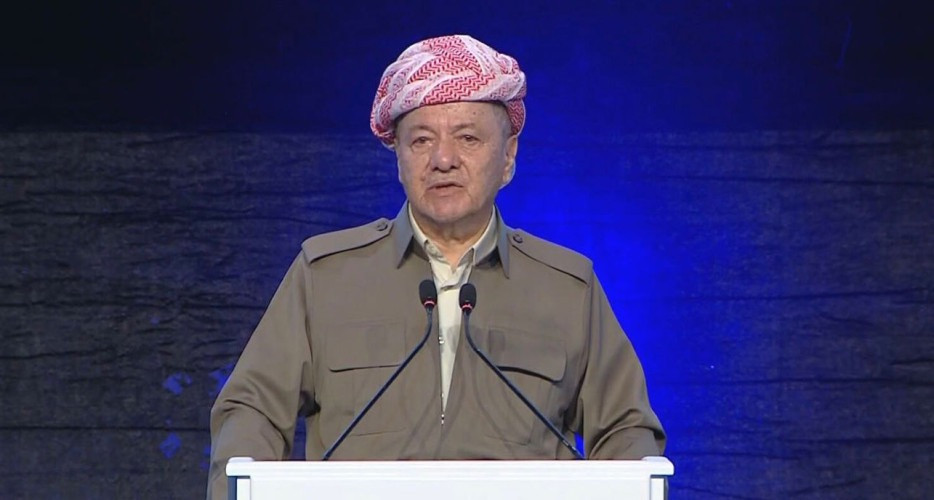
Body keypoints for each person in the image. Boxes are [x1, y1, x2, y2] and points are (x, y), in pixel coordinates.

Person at [207, 34, 665, 499]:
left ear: (508, 156)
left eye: (468, 138)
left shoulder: (567, 287)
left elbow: (626, 432)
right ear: (399, 159)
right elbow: (251, 412)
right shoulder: (325, 276)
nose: (443, 160)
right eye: (422, 140)